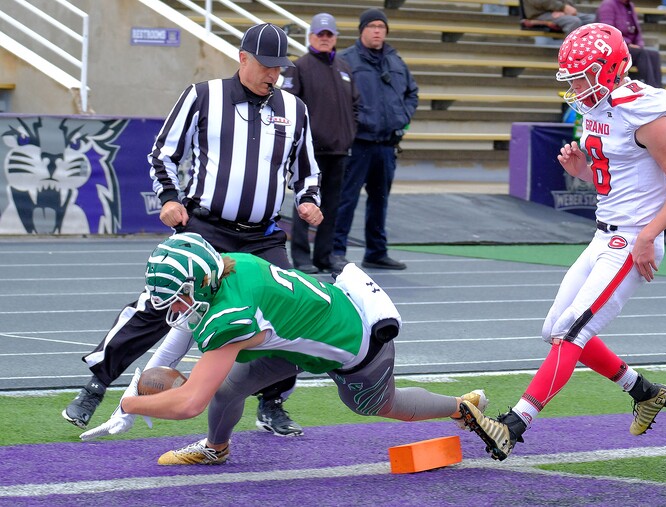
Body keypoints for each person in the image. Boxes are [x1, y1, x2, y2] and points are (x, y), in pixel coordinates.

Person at [63, 23, 323, 438]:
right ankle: (97, 383)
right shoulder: (203, 96)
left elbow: (307, 170)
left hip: (264, 235)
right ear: (242, 58)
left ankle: (272, 402)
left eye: (279, 68)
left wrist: (309, 199)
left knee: (285, 312)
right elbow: (162, 154)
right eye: (265, 65)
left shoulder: (295, 108)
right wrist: (169, 198)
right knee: (160, 305)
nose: (273, 75)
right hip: (207, 229)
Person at [459, 23, 666, 461]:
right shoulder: (596, 105)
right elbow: (620, 176)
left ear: (609, 69)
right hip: (604, 235)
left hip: (632, 241)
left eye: (583, 77)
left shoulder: (642, 110)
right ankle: (644, 391)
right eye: (572, 78)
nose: (576, 86)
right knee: (554, 330)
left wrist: (648, 236)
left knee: (571, 332)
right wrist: (584, 174)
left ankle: (513, 425)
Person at [111, 232, 488, 465]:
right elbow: (184, 334)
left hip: (352, 343)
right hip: (301, 330)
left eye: (178, 298)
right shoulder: (231, 266)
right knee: (228, 389)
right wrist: (141, 379)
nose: (176, 308)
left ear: (202, 280)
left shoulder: (232, 316)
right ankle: (216, 448)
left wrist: (129, 404)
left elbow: (189, 403)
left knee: (380, 405)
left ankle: (461, 406)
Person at [333, 8, 418, 271]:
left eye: (382, 26)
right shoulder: (346, 60)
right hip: (358, 144)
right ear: (362, 30)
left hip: (387, 145)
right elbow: (338, 98)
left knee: (379, 200)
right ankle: (336, 251)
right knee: (346, 199)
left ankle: (376, 252)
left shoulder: (395, 61)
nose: (378, 31)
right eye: (372, 26)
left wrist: (401, 118)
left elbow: (412, 94)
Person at [281, 13, 360, 274]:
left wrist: (350, 132)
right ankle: (302, 257)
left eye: (329, 35)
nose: (325, 39)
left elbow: (356, 105)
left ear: (335, 38)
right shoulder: (299, 67)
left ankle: (325, 256)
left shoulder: (344, 67)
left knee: (331, 206)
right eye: (320, 34)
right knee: (305, 203)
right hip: (310, 152)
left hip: (339, 150)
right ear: (311, 37)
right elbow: (288, 105)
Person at [597, 0, 663, 88]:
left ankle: (658, 89)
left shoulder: (630, 5)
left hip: (629, 49)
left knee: (654, 55)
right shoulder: (608, 4)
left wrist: (639, 44)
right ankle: (650, 87)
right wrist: (627, 44)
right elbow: (607, 32)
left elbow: (637, 32)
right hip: (614, 49)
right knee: (641, 53)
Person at [521, 0, 595, 34]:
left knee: (593, 19)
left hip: (560, 11)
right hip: (540, 14)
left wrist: (563, 9)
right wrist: (562, 7)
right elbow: (539, 2)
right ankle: (569, 52)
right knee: (574, 21)